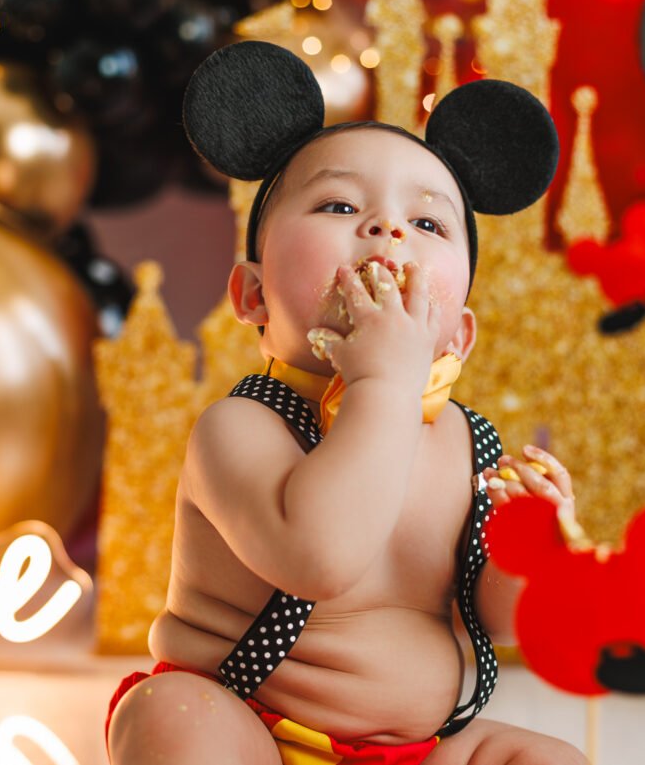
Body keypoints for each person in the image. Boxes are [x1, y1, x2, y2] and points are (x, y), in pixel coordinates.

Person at [106, 41, 587, 765]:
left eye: (428, 224)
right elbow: (318, 558)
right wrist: (381, 385)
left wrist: (537, 552)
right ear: (254, 295)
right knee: (173, 714)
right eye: (339, 204)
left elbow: (500, 618)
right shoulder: (241, 426)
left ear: (455, 332)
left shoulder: (466, 442)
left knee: (550, 759)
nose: (389, 229)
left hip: (417, 749)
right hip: (254, 728)